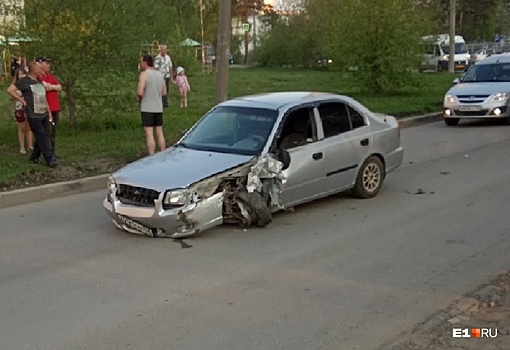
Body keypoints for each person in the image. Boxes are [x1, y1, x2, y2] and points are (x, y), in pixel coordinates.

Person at [7, 61, 56, 167]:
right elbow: (10, 90)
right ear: (34, 69)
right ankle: (49, 159)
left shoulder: (39, 81)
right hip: (33, 114)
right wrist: (22, 100)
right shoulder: (24, 81)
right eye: (39, 69)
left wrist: (49, 112)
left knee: (44, 135)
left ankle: (34, 157)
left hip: (44, 112)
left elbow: (44, 97)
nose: (42, 71)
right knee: (42, 136)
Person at [137, 54, 167, 156]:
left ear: (145, 62)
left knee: (149, 133)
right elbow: (164, 92)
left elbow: (140, 92)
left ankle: (152, 156)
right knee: (159, 132)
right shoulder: (160, 75)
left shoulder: (144, 74)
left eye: (141, 61)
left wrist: (140, 99)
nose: (140, 63)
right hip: (158, 107)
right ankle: (163, 153)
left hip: (147, 107)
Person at [36, 56, 62, 157]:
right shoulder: (38, 77)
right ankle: (47, 153)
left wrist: (50, 86)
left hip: (55, 107)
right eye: (46, 63)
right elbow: (43, 88)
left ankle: (52, 151)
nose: (48, 66)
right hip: (46, 108)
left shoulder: (50, 76)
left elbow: (59, 87)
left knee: (53, 132)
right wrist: (51, 87)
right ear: (40, 64)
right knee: (47, 131)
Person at [11, 67, 33, 154]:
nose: (22, 76)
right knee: (22, 128)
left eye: (23, 74)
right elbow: (11, 95)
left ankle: (30, 145)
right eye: (19, 74)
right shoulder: (16, 85)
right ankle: (22, 147)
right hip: (20, 108)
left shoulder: (29, 83)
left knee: (30, 127)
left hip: (29, 107)